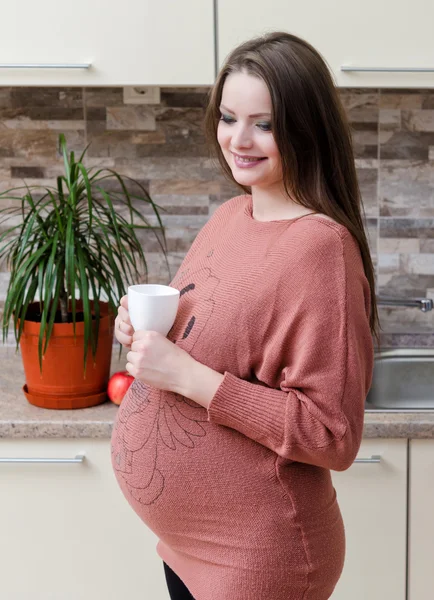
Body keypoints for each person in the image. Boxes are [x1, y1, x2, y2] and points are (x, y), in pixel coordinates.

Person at [111, 30, 376, 600]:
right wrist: (134, 327)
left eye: (266, 124)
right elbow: (201, 329)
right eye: (229, 118)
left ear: (307, 128)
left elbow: (333, 433)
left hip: (258, 559)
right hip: (186, 549)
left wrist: (188, 377)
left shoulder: (321, 249)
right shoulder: (232, 214)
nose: (239, 140)